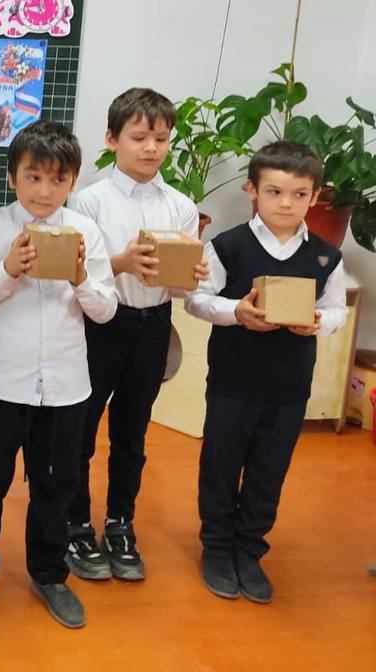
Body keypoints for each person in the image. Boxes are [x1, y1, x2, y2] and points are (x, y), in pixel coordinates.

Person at [0, 121, 117, 630]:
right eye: (33, 176)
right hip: (1, 382)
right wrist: (7, 270)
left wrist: (80, 277)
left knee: (56, 485)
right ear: (12, 176)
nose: (45, 191)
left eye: (58, 179)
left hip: (66, 387)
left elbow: (106, 310)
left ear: (72, 181)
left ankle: (49, 574)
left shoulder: (86, 232)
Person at [185, 141, 347, 603]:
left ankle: (250, 549)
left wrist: (316, 321)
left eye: (299, 194)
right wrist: (237, 311)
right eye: (274, 191)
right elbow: (197, 300)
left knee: (269, 470)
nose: (286, 203)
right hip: (232, 383)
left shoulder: (326, 256)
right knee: (220, 466)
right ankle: (217, 549)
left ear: (314, 196)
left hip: (289, 388)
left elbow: (336, 310)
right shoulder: (228, 246)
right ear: (251, 190)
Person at [66, 88, 206, 582]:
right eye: (139, 137)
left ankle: (120, 522)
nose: (151, 148)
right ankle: (75, 523)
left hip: (153, 324)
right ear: (112, 138)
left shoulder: (181, 206)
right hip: (101, 324)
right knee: (82, 427)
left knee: (132, 431)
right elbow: (79, 271)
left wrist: (192, 274)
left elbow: (182, 284)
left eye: (161, 139)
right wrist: (122, 261)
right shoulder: (89, 201)